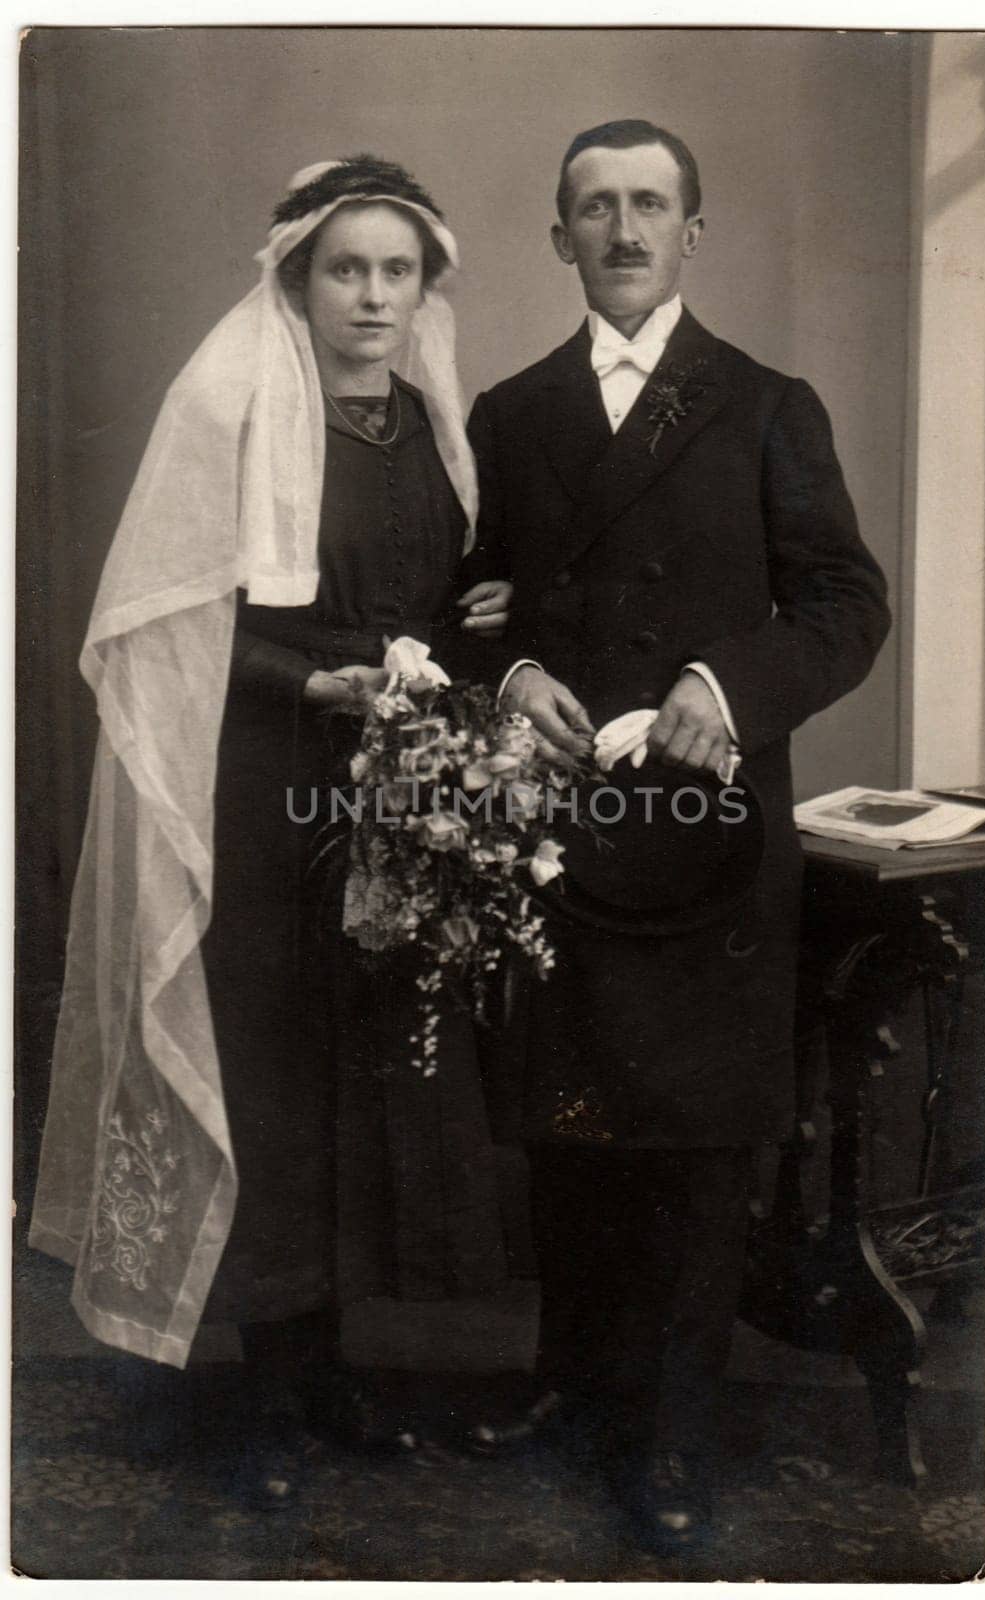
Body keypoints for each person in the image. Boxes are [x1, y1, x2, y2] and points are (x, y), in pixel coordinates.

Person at [29, 155, 513, 1508]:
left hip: (381, 786)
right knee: (258, 1077)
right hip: (255, 780)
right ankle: (232, 1396)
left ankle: (325, 1370)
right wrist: (308, 681)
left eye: (395, 270)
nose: (371, 295)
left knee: (353, 1075)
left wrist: (475, 616)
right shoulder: (229, 403)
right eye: (344, 269)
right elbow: (166, 616)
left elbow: (440, 583)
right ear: (296, 280)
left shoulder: (426, 421)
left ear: (425, 286)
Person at [465, 120, 891, 1554]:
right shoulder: (512, 415)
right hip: (570, 832)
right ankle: (570, 1392)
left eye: (651, 204)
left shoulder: (767, 404)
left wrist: (725, 685)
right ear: (559, 236)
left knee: (697, 1148)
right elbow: (485, 606)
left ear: (692, 231)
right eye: (596, 206)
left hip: (707, 833)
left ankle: (671, 1439)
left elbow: (843, 604)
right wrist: (514, 676)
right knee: (573, 1129)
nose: (625, 228)